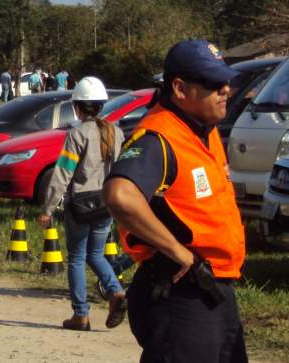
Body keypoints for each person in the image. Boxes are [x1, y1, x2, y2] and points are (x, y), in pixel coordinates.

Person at [103, 39, 247, 362]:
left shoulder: (203, 130)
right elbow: (119, 195)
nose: (226, 89)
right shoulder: (159, 138)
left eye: (226, 81)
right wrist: (178, 252)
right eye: (213, 83)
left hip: (213, 291)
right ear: (180, 89)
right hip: (181, 296)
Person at [38, 76, 127, 331]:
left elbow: (63, 173)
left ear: (77, 107)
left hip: (79, 206)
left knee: (77, 258)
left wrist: (48, 208)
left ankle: (81, 315)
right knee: (96, 255)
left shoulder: (77, 134)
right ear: (101, 105)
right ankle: (115, 292)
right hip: (106, 204)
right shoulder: (116, 132)